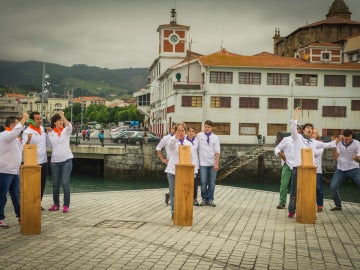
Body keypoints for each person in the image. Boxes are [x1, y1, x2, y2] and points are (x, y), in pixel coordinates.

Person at [288, 107, 340, 218]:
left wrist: (337, 141)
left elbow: (327, 145)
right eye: (308, 127)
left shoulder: (314, 142)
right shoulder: (297, 138)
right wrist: (297, 113)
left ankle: (308, 211)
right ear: (303, 130)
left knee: (309, 192)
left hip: (309, 170)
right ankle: (291, 211)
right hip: (298, 169)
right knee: (294, 191)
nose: (310, 129)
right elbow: (293, 126)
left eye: (311, 128)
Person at [0, 112, 29, 228]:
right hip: (4, 171)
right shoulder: (4, 135)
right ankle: (0, 218)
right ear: (12, 125)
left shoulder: (15, 138)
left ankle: (20, 216)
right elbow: (15, 132)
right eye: (17, 124)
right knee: (2, 195)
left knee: (16, 195)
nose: (21, 127)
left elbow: (20, 150)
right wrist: (24, 119)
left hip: (14, 171)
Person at [166, 122, 197, 219]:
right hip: (172, 171)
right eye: (179, 130)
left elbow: (192, 158)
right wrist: (176, 137)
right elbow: (170, 146)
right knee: (173, 193)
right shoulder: (173, 141)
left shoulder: (189, 144)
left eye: (182, 131)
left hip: (184, 172)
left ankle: (182, 212)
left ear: (185, 131)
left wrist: (194, 172)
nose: (181, 132)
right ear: (176, 131)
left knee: (184, 193)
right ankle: (174, 212)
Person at [47, 112, 74, 213]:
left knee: (65, 183)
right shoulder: (50, 133)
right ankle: (56, 204)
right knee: (55, 184)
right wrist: (47, 131)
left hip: (66, 160)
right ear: (54, 123)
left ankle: (66, 205)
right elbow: (47, 144)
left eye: (62, 121)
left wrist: (63, 116)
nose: (61, 122)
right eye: (59, 121)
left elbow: (69, 126)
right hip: (54, 162)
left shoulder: (66, 131)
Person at [22, 111, 48, 210]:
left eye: (40, 119)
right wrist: (28, 140)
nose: (39, 121)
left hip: (44, 161)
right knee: (33, 185)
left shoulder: (41, 129)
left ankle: (38, 203)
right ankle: (31, 204)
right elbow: (24, 147)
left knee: (42, 184)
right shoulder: (27, 132)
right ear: (31, 120)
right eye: (37, 119)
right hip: (33, 162)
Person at [330, 129, 360, 211]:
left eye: (349, 139)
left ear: (352, 137)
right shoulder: (339, 143)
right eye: (346, 139)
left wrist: (356, 158)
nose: (347, 140)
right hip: (340, 169)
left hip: (354, 168)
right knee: (333, 187)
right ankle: (338, 206)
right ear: (343, 136)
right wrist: (334, 146)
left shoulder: (357, 144)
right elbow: (335, 157)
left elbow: (359, 159)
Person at [198, 120, 220, 207]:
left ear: (211, 128)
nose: (206, 128)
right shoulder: (200, 136)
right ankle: (204, 199)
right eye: (205, 126)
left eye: (208, 127)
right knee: (203, 182)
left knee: (212, 183)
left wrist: (216, 163)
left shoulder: (215, 137)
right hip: (203, 163)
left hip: (212, 163)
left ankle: (210, 199)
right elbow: (191, 136)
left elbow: (217, 152)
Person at [156, 123, 176, 205]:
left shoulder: (181, 138)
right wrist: (162, 159)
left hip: (179, 163)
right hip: (170, 163)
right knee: (172, 183)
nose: (175, 130)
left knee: (178, 183)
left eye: (176, 129)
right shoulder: (166, 138)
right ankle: (171, 198)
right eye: (174, 128)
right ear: (171, 128)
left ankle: (169, 195)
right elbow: (158, 148)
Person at [311, 128, 325, 212]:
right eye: (312, 133)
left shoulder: (320, 143)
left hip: (317, 170)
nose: (313, 135)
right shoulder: (306, 142)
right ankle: (309, 205)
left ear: (317, 135)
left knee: (318, 189)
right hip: (307, 169)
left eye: (315, 133)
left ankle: (320, 205)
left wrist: (309, 151)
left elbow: (318, 153)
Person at [186, 126, 200, 206]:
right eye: (190, 131)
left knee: (195, 183)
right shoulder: (184, 140)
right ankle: (187, 197)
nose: (191, 132)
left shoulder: (197, 141)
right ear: (187, 132)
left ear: (194, 133)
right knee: (186, 182)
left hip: (195, 165)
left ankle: (194, 198)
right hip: (186, 164)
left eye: (192, 131)